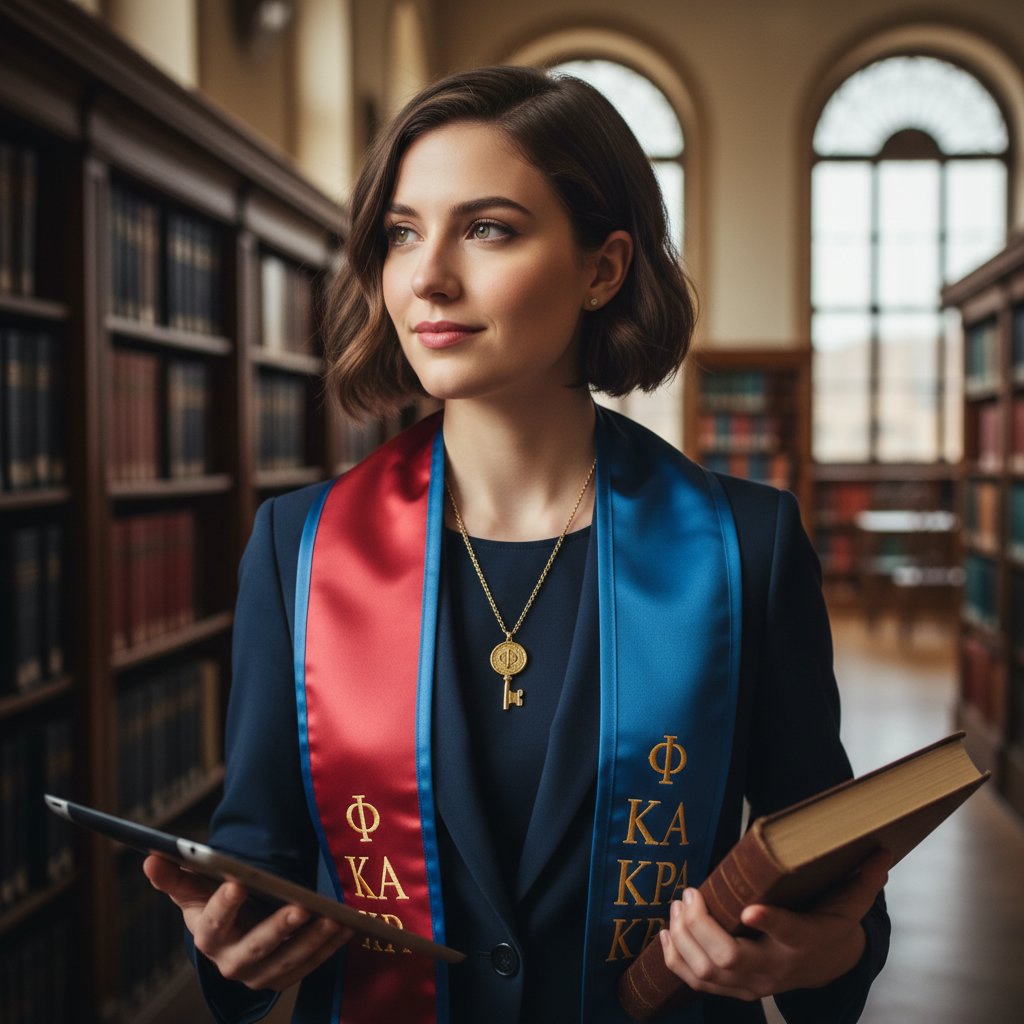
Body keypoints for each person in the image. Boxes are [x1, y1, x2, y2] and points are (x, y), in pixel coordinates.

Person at [144, 65, 890, 1024]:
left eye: (487, 229)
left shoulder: (746, 546)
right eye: (402, 233)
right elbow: (262, 857)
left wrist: (824, 953)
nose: (428, 276)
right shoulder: (301, 548)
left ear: (603, 269)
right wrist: (233, 945)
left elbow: (827, 887)